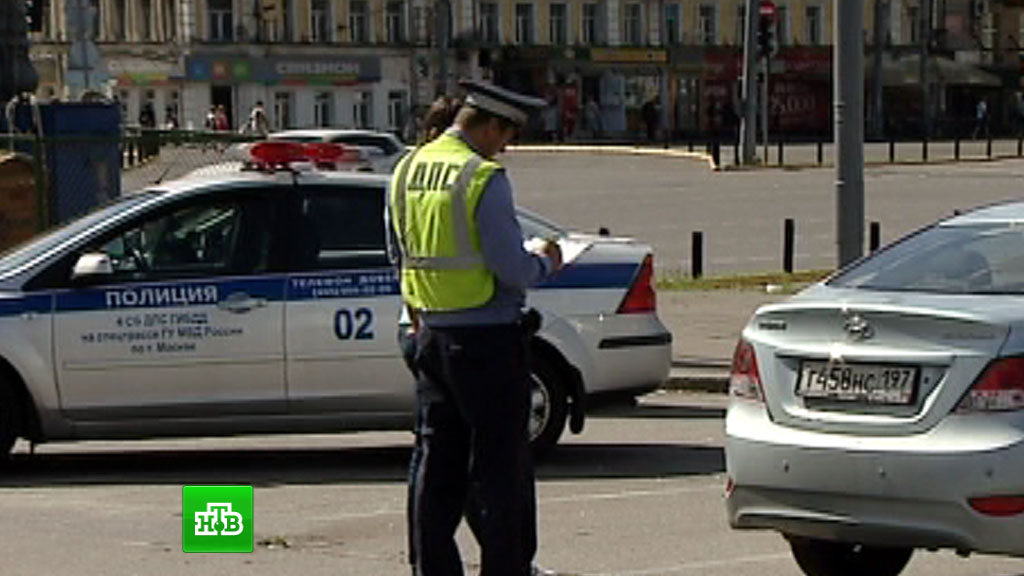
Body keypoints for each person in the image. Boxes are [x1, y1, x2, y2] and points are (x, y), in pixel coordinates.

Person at [386, 79, 564, 576]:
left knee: (435, 467)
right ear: (490, 126)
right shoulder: (482, 176)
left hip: (429, 338)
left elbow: (398, 256)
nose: (505, 148)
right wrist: (546, 262)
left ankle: (432, 568)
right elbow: (512, 267)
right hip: (486, 341)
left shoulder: (406, 169)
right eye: (506, 136)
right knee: (500, 471)